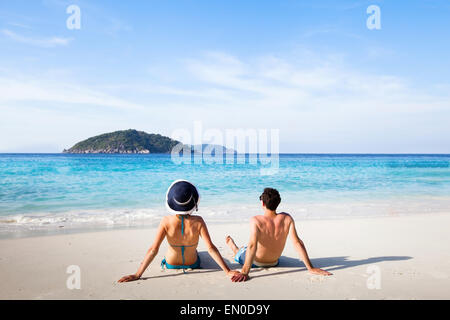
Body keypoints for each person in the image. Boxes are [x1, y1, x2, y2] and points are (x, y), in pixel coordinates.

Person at [118, 180, 238, 282]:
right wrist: (227, 271)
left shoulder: (165, 221)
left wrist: (137, 274)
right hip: (193, 264)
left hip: (171, 264)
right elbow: (211, 248)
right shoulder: (198, 221)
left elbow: (153, 250)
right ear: (194, 202)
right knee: (200, 252)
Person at [227, 187, 332, 282]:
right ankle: (240, 249)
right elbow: (297, 243)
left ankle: (234, 248)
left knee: (242, 251)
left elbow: (252, 246)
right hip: (274, 262)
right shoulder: (287, 218)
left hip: (257, 262)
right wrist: (310, 268)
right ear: (278, 203)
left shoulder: (256, 220)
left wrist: (245, 272)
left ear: (262, 203)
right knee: (248, 248)